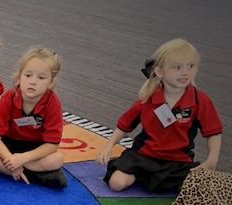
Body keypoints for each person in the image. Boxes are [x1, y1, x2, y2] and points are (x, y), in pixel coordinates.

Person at [95, 39, 223, 194]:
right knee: (116, 183)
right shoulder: (148, 97)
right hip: (142, 156)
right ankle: (144, 177)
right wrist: (109, 146)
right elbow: (125, 124)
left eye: (191, 66)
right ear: (160, 72)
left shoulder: (200, 100)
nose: (185, 72)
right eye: (177, 67)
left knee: (197, 189)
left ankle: (163, 181)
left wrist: (212, 159)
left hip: (178, 162)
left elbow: (213, 132)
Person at [0, 46, 68, 189]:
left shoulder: (53, 103)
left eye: (41, 77)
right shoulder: (8, 97)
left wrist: (22, 158)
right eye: (28, 75)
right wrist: (11, 161)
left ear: (51, 83)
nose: (33, 82)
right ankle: (28, 174)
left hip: (34, 148)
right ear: (19, 77)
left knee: (57, 159)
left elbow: (52, 145)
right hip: (8, 143)